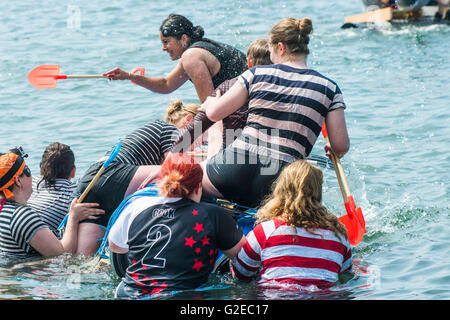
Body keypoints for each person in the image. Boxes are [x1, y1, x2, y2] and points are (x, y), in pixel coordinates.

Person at [197, 17, 350, 208]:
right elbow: (340, 146)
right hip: (280, 183)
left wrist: (211, 101)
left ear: (280, 47)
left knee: (182, 179)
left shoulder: (256, 73)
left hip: (233, 169)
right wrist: (333, 149)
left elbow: (213, 114)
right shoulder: (330, 88)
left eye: (270, 51)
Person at [108, 153, 246, 299]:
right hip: (182, 296)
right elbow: (243, 255)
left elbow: (116, 247)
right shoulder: (212, 214)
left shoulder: (136, 207)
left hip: (129, 293)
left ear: (161, 181)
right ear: (199, 186)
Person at [72, 100, 200, 256]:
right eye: (202, 139)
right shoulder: (172, 130)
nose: (200, 146)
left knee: (82, 260)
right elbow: (175, 166)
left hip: (92, 182)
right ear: (189, 121)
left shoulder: (152, 132)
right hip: (112, 172)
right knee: (183, 174)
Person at [231, 160, 353, 289]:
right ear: (318, 192)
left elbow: (240, 276)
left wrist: (246, 244)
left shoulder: (266, 231)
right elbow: (345, 275)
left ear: (282, 189)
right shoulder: (339, 235)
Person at [103, 13, 248, 103]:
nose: (163, 48)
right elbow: (166, 84)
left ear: (184, 39)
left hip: (250, 104)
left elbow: (208, 105)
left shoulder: (191, 56)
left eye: (166, 42)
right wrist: (129, 76)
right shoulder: (197, 50)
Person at [169, 38, 273, 158]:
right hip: (272, 161)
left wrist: (171, 157)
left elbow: (194, 129)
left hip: (233, 162)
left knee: (214, 120)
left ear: (249, 63)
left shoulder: (227, 88)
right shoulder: (289, 87)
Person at [0, 150, 104, 258]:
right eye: (28, 171)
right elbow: (63, 255)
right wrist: (73, 217)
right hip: (32, 273)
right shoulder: (22, 216)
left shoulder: (4, 209)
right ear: (18, 181)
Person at [27, 142, 77, 233]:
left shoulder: (29, 182)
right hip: (48, 243)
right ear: (73, 171)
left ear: (42, 169)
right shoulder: (71, 192)